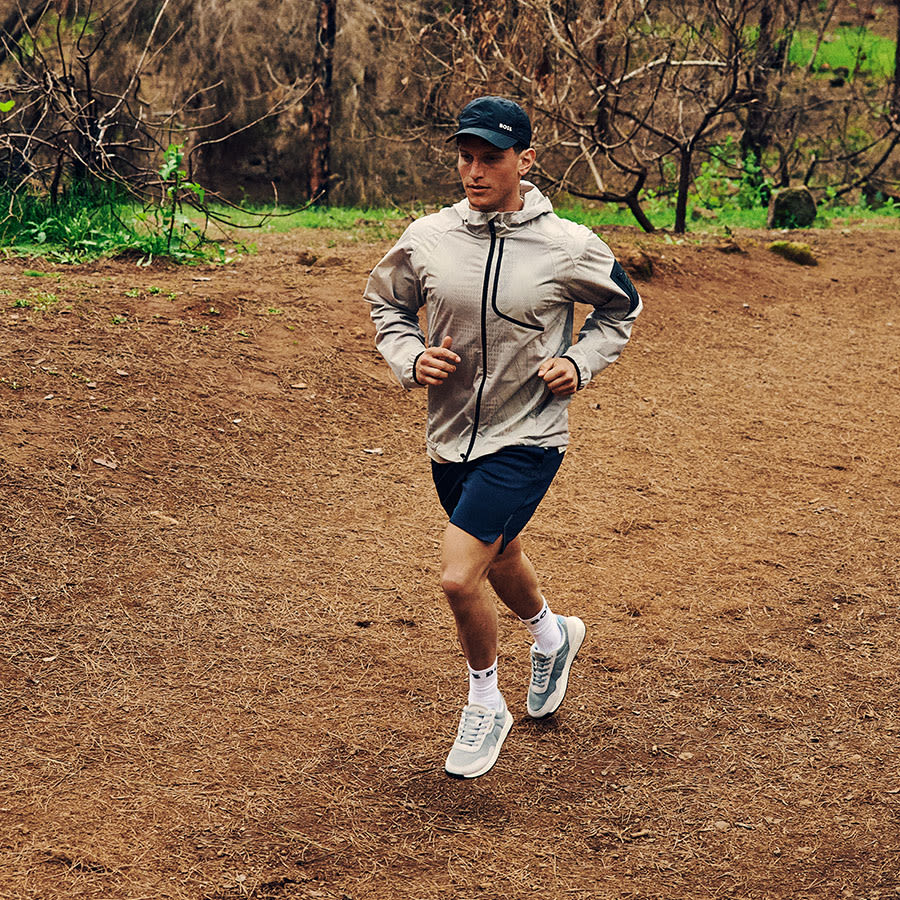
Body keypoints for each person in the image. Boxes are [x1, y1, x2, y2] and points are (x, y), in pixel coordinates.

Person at [364, 96, 642, 779]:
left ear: (526, 160)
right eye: (466, 157)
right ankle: (552, 635)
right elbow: (387, 302)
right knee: (502, 551)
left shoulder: (568, 245)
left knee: (460, 579)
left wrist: (578, 361)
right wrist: (409, 358)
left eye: (491, 157)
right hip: (450, 438)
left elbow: (620, 308)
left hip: (530, 436)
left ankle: (485, 701)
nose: (475, 170)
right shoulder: (427, 237)